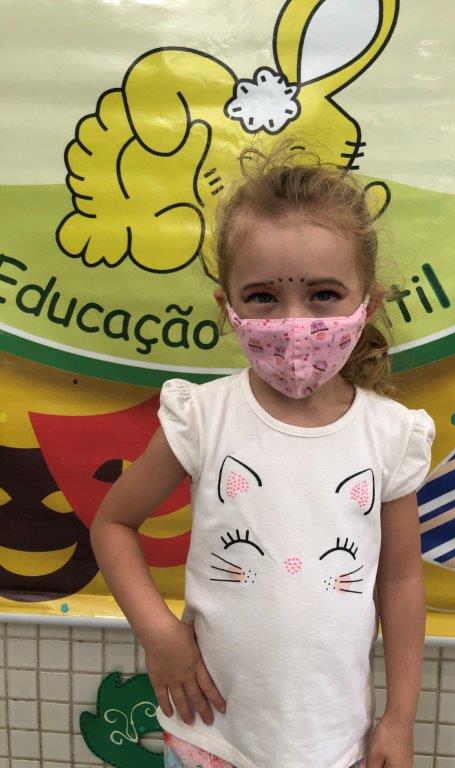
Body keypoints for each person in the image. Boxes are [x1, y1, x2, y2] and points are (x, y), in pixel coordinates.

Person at [90, 138, 436, 768]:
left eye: (323, 294)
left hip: (336, 744)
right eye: (263, 297)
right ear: (228, 308)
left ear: (369, 303)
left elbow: (402, 578)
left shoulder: (391, 435)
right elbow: (113, 522)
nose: (293, 322)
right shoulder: (203, 418)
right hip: (210, 739)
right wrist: (159, 633)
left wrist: (400, 718)